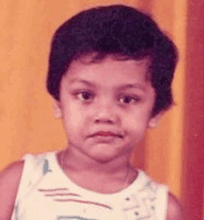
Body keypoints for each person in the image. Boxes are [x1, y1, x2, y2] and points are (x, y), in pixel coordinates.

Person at [0, 4, 184, 220]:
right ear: (58, 102)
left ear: (156, 112)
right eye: (85, 95)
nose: (104, 115)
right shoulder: (21, 182)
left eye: (127, 99)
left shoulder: (161, 209)